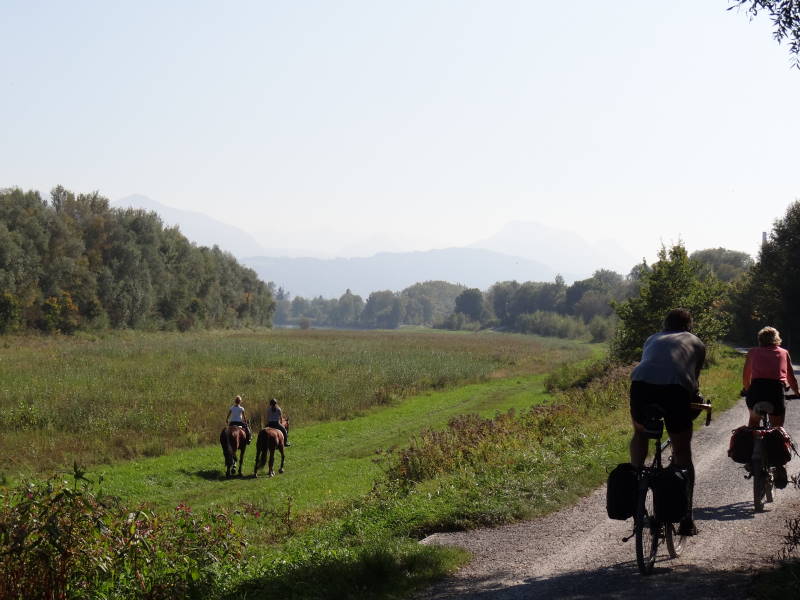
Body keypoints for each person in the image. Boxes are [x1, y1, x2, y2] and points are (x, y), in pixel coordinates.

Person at [629, 308, 706, 536]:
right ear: (689, 325)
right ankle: (687, 518)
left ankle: (637, 478)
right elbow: (694, 380)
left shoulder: (652, 338)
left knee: (640, 433)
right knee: (682, 450)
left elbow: (649, 362)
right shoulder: (696, 342)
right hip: (675, 389)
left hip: (641, 385)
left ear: (665, 324)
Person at [741, 326, 798, 488]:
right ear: (777, 339)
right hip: (775, 393)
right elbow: (791, 378)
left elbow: (746, 376)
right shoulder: (784, 352)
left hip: (756, 392)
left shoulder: (752, 352)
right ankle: (779, 467)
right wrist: (797, 392)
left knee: (753, 425)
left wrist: (746, 389)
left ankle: (751, 459)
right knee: (777, 429)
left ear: (760, 340)